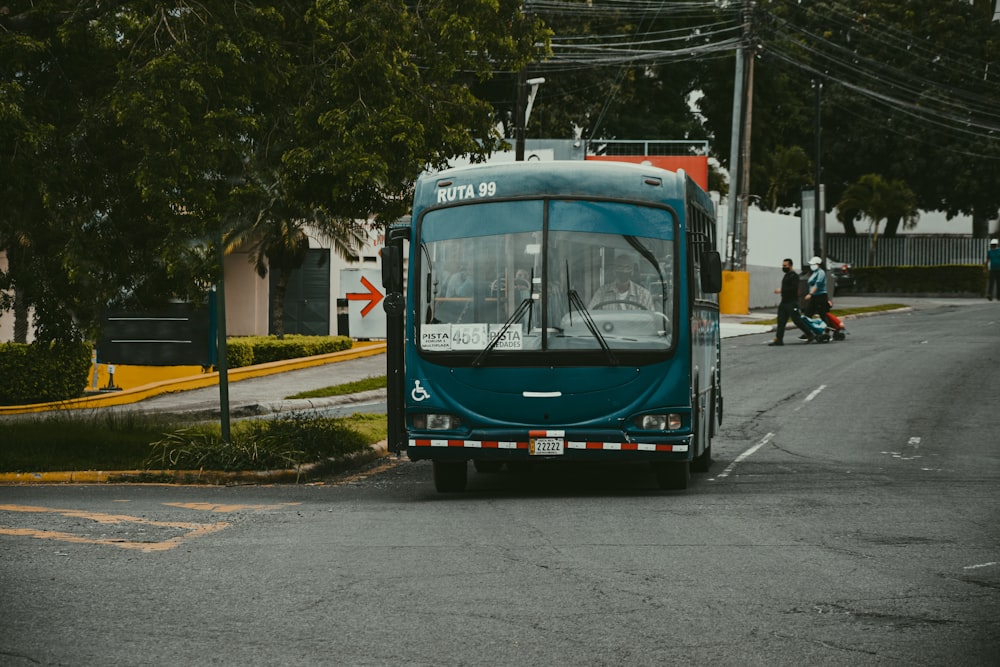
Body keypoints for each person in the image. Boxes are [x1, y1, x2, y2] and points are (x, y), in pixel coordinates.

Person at [769, 258, 814, 346]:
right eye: (783, 265)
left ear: (790, 265)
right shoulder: (786, 275)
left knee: (797, 320)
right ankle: (779, 339)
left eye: (785, 265)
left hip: (792, 302)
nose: (783, 267)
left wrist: (781, 290)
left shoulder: (794, 276)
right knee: (781, 321)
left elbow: (793, 289)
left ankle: (809, 334)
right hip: (784, 302)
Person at [589, 254, 654, 311]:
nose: (624, 270)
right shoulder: (601, 293)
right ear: (614, 270)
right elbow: (590, 315)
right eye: (620, 267)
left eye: (627, 267)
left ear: (632, 271)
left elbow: (651, 321)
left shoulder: (644, 295)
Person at [803, 255, 834, 330]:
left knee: (823, 314)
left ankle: (827, 331)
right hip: (814, 297)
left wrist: (810, 294)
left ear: (818, 264)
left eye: (813, 264)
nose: (812, 266)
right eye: (811, 264)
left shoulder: (821, 272)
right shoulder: (814, 273)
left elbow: (818, 284)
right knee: (807, 315)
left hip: (821, 296)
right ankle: (808, 332)